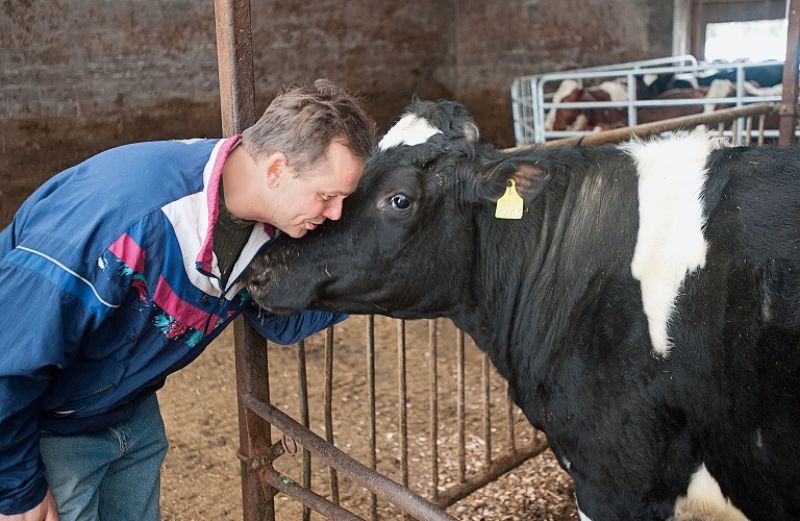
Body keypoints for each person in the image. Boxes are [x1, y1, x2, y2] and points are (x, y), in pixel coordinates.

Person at [0, 79, 376, 521]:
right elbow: (9, 354)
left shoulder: (267, 219)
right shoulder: (126, 220)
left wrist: (380, 277)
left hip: (130, 414)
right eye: (327, 196)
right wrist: (16, 487)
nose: (335, 214)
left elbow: (278, 318)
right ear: (276, 169)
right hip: (48, 435)